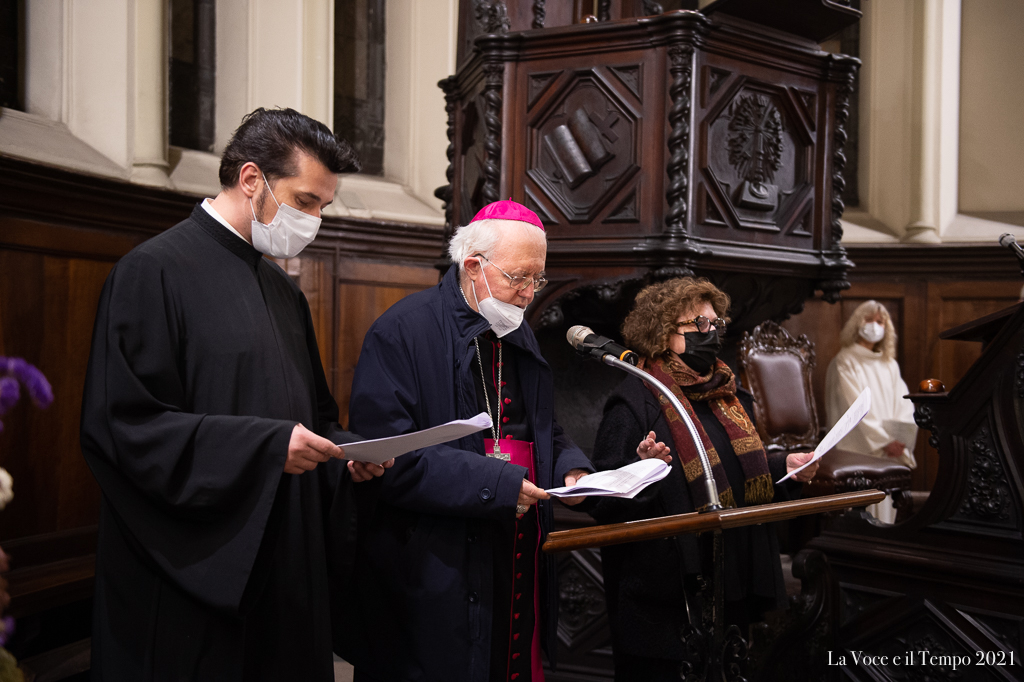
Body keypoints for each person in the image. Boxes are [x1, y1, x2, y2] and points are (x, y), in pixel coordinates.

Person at [80, 108, 390, 682]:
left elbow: (313, 416)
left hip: (285, 561)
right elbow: (124, 426)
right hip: (192, 572)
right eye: (304, 201)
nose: (314, 219)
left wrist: (345, 459)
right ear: (252, 180)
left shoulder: (282, 290)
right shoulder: (152, 270)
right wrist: (268, 447)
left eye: (323, 205)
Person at [344, 200, 660, 682]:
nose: (530, 293)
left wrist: (572, 472)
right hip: (435, 558)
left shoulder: (515, 332)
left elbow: (544, 429)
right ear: (473, 265)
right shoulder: (403, 330)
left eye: (538, 280)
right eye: (520, 278)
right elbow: (387, 454)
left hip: (513, 545)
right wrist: (496, 482)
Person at [588, 277, 818, 682]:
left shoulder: (729, 396)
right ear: (661, 334)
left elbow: (746, 471)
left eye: (715, 324)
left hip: (732, 584)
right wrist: (642, 471)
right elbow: (602, 504)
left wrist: (787, 467)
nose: (710, 334)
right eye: (698, 325)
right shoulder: (636, 403)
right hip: (666, 601)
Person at [825, 300, 917, 523]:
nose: (875, 326)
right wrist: (883, 441)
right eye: (869, 320)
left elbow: (904, 403)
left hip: (891, 451)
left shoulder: (889, 364)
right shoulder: (846, 361)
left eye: (880, 322)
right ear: (857, 323)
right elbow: (854, 406)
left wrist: (899, 438)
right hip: (862, 448)